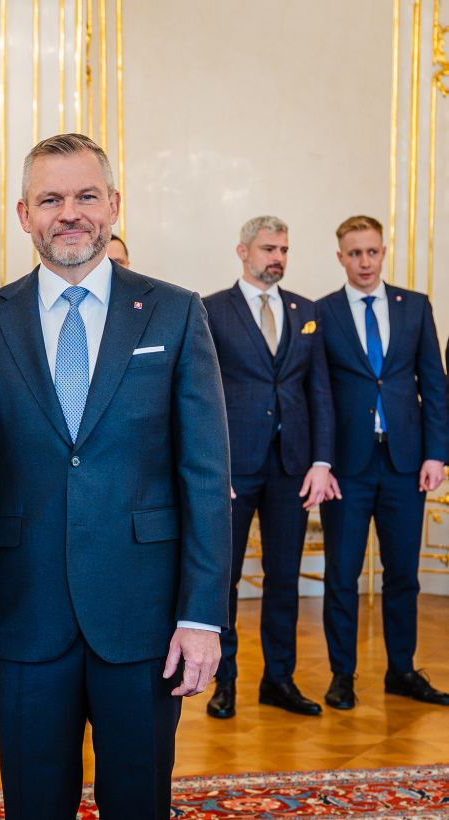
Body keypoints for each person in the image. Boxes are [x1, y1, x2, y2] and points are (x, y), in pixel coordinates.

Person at [0, 133, 232, 819]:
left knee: (139, 801)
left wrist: (201, 615)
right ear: (23, 215)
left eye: (85, 196)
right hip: (24, 618)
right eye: (50, 199)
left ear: (114, 205)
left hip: (145, 619)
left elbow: (206, 477)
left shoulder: (175, 311)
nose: (69, 213)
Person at [202, 216, 337, 720]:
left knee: (284, 578)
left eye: (284, 248)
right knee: (225, 581)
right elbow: (203, 397)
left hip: (292, 468)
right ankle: (225, 683)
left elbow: (318, 389)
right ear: (243, 251)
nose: (277, 256)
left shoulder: (306, 311)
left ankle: (279, 680)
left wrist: (321, 461)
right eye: (267, 248)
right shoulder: (211, 309)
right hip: (234, 470)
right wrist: (214, 467)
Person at [318, 214, 449, 710]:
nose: (365, 262)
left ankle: (402, 671)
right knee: (342, 575)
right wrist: (322, 461)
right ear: (340, 257)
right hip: (348, 467)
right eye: (355, 253)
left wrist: (437, 453)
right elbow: (320, 392)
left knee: (403, 576)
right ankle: (342, 676)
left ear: (383, 252)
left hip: (405, 463)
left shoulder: (414, 307)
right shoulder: (323, 312)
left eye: (372, 252)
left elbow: (433, 385)